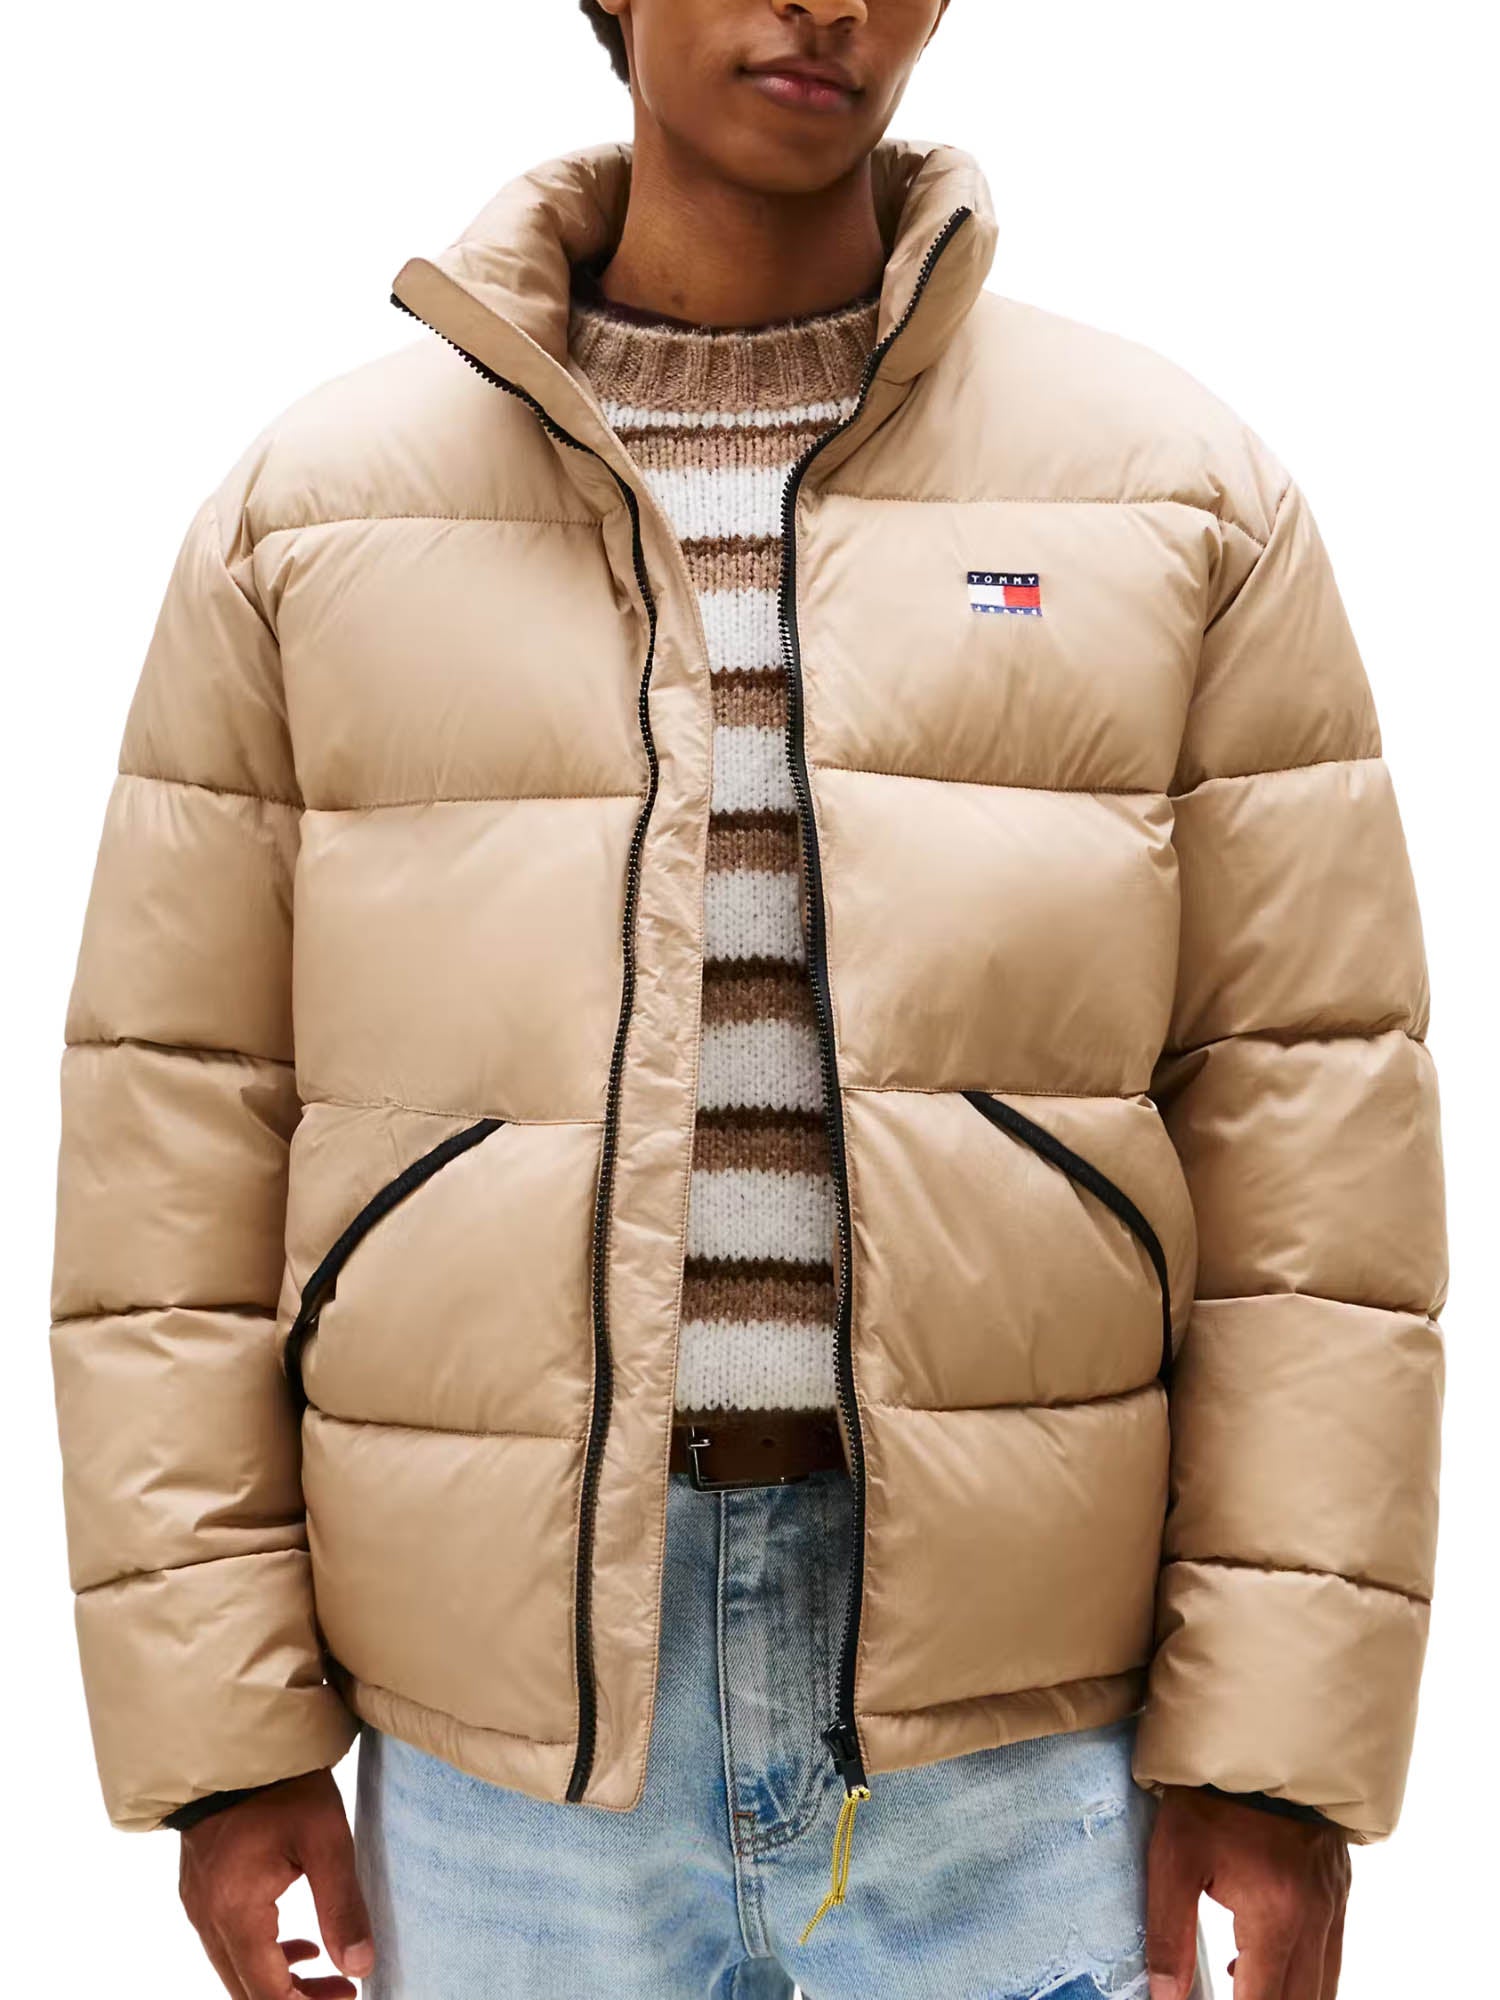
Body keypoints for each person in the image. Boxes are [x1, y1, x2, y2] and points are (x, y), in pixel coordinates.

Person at [48, 0, 1447, 1995]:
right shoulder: (313, 521)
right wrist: (225, 1734)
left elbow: (1314, 1162)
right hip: (500, 1750)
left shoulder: (1175, 502)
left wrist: (1277, 1746)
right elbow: (172, 1149)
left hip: (1024, 1734)